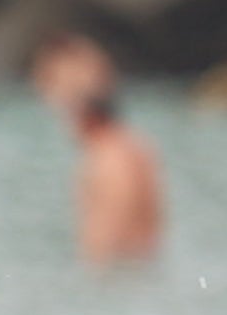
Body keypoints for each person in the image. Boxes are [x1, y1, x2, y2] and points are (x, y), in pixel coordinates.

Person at [34, 33, 165, 265]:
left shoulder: (107, 158)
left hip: (119, 287)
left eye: (47, 85)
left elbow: (106, 250)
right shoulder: (133, 147)